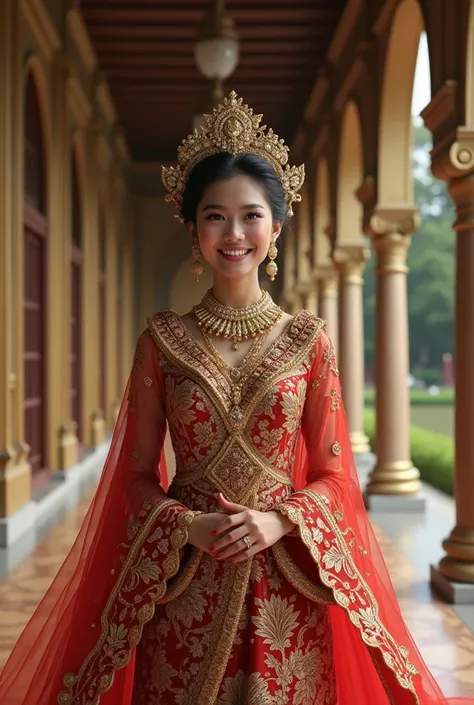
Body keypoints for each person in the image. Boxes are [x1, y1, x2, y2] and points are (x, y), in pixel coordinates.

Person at [0, 91, 470, 705]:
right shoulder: (162, 342)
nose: (234, 232)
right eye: (215, 216)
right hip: (185, 583)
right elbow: (136, 477)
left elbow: (333, 476)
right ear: (194, 230)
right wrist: (187, 526)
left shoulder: (310, 342)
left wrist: (280, 520)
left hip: (288, 588)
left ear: (276, 227)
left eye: (250, 215)